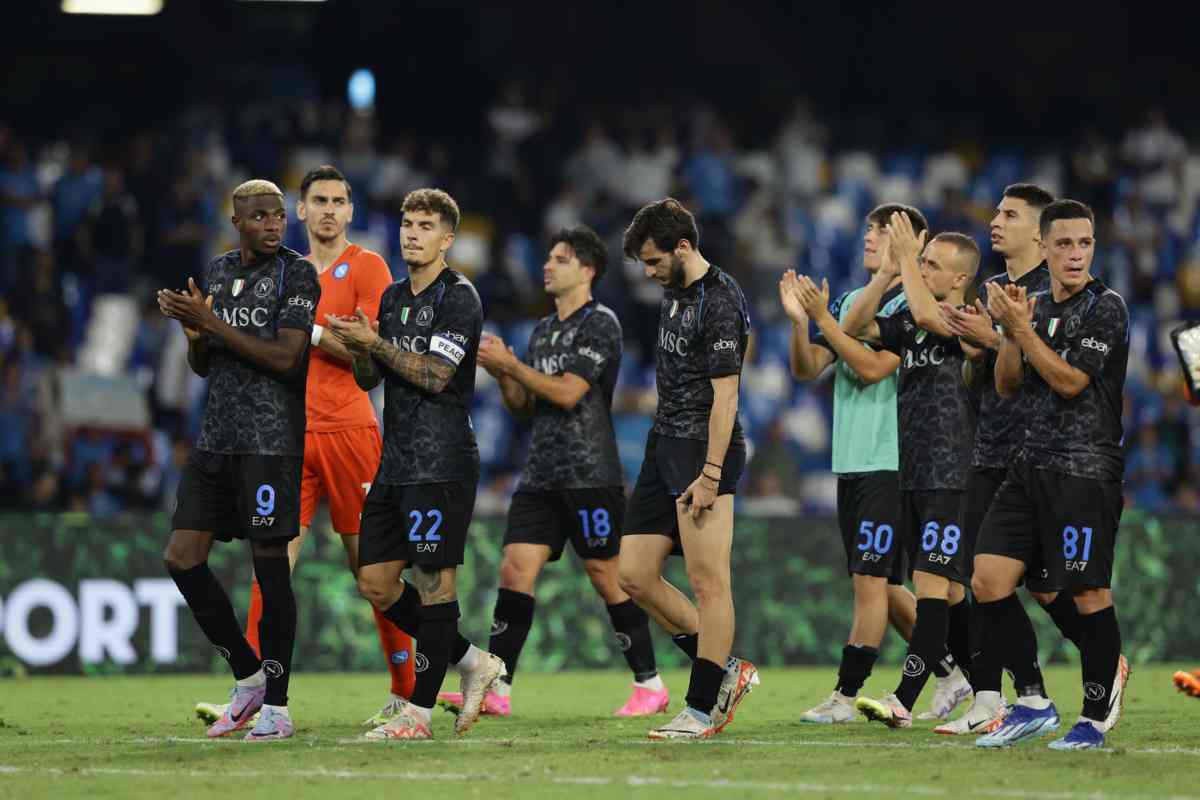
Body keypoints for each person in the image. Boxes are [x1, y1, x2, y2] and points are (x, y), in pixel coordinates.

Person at [193, 165, 415, 731]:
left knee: (372, 571)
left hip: (349, 432)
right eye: (319, 200)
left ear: (350, 211)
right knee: (270, 566)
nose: (329, 211)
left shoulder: (368, 266)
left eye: (340, 201)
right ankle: (255, 693)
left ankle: (407, 690)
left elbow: (365, 348)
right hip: (284, 438)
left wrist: (307, 329)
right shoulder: (278, 269)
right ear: (301, 206)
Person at [439, 225, 668, 717]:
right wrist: (502, 370)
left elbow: (567, 392)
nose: (547, 265)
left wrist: (513, 365)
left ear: (587, 270)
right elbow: (524, 405)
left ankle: (650, 683)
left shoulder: (600, 323)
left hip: (591, 474)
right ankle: (498, 688)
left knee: (609, 577)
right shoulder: (542, 329)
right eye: (548, 257)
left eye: (560, 259)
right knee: (515, 570)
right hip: (541, 473)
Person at [940, 183, 1128, 734]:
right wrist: (1010, 337)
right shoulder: (1035, 303)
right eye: (1065, 244)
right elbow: (1005, 384)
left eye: (1085, 243)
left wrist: (1017, 329)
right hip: (1029, 465)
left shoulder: (1106, 308)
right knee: (988, 578)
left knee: (1087, 592)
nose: (1076, 254)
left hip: (1084, 468)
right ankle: (1035, 702)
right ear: (1044, 249)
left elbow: (1071, 382)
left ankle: (1093, 718)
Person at [325, 188, 504, 740]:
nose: (411, 234)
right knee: (375, 582)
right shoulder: (394, 296)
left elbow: (434, 376)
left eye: (425, 226)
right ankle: (473, 661)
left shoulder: (459, 297)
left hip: (441, 460)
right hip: (396, 461)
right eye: (407, 224)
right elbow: (368, 379)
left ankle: (418, 715)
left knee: (432, 584)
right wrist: (358, 345)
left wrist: (373, 342)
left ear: (447, 239)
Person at [800, 214, 981, 729]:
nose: (921, 270)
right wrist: (819, 317)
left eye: (931, 264)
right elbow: (856, 331)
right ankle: (984, 690)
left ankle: (903, 696)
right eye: (921, 262)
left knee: (931, 588)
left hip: (949, 470)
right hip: (914, 473)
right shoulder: (909, 319)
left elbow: (894, 347)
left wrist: (902, 264)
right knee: (943, 592)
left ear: (959, 278)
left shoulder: (967, 317)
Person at [159, 179, 321, 741]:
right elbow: (205, 364)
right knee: (181, 557)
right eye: (260, 217)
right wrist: (194, 333)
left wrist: (213, 325)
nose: (274, 225)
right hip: (216, 440)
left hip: (269, 442)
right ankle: (247, 675)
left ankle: (278, 705)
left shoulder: (297, 274)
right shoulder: (221, 270)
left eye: (278, 215)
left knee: (271, 569)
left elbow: (285, 356)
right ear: (238, 222)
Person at [616, 198, 758, 740]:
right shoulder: (673, 293)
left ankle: (701, 709)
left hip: (706, 451)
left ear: (683, 247)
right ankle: (721, 668)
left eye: (653, 262)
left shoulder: (721, 301)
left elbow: (727, 398)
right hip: (663, 445)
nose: (648, 273)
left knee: (708, 583)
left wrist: (712, 472)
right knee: (632, 573)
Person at [779, 203, 920, 725]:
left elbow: (869, 369)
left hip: (891, 459)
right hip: (852, 460)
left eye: (884, 230)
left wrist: (821, 319)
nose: (870, 235)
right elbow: (809, 366)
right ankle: (957, 671)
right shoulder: (847, 300)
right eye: (869, 227)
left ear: (911, 243)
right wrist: (800, 325)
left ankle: (845, 695)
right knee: (882, 584)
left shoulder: (915, 304)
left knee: (870, 581)